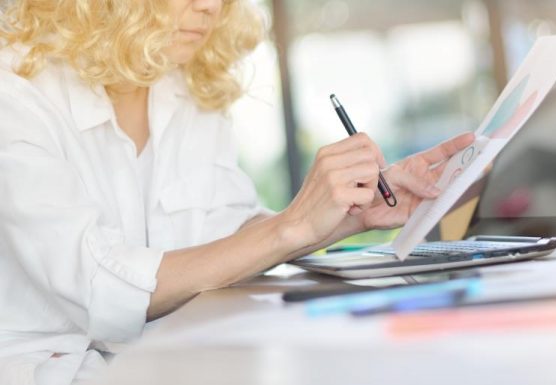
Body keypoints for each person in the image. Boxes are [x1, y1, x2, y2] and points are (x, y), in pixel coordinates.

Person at [0, 0, 474, 384]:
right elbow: (99, 289)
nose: (210, 6)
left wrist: (347, 213)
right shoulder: (15, 91)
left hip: (176, 359)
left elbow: (226, 232)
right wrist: (293, 226)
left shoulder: (186, 82)